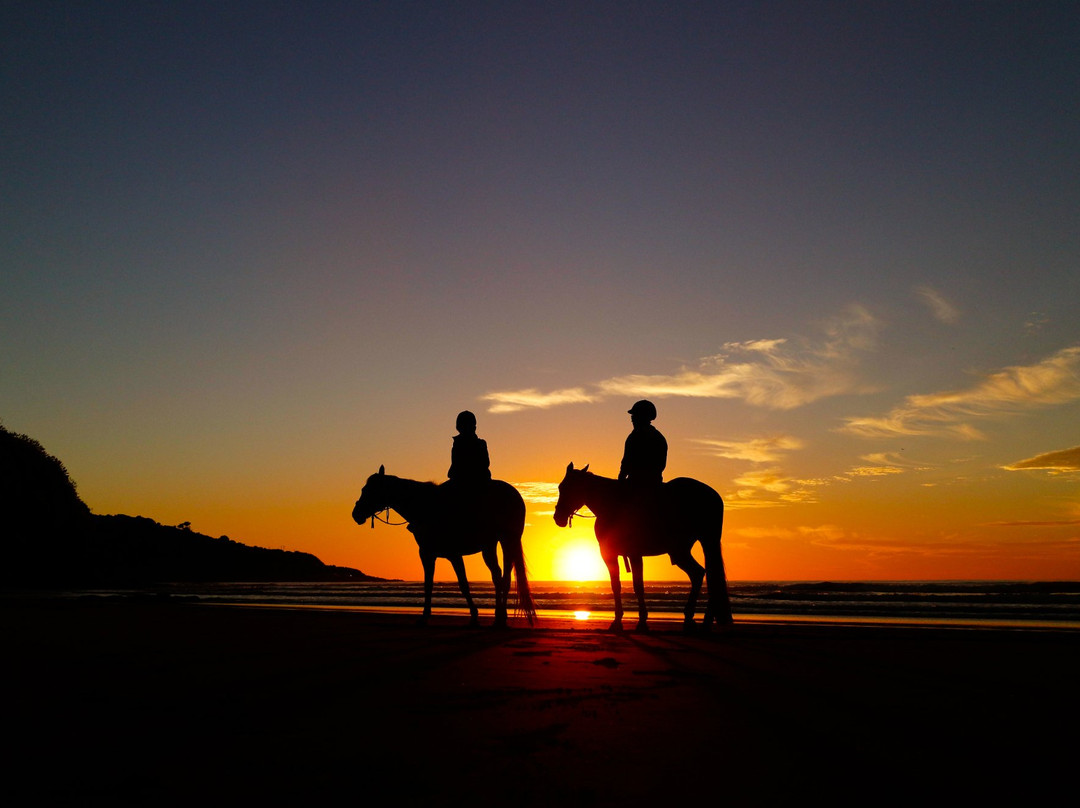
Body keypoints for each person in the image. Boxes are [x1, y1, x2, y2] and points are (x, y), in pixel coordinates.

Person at [618, 400, 667, 485]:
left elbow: (626, 462)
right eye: (632, 416)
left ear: (643, 417)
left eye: (635, 416)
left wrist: (621, 480)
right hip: (655, 483)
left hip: (636, 484)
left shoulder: (634, 437)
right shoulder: (659, 437)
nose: (632, 419)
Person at [447, 410, 491, 483]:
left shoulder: (481, 444)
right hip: (459, 477)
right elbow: (456, 464)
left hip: (479, 477)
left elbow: (485, 463)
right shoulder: (457, 444)